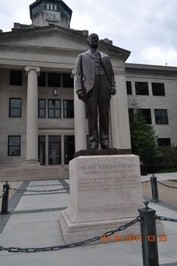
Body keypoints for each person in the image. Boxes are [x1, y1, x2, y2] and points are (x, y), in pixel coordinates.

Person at [76, 33, 116, 150]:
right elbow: (78, 74)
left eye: (97, 39)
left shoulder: (105, 57)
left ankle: (105, 141)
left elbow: (112, 74)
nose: (95, 40)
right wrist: (79, 88)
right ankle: (93, 141)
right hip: (90, 86)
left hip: (104, 83)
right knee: (92, 114)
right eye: (92, 38)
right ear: (88, 41)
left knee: (104, 113)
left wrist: (112, 85)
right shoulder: (82, 56)